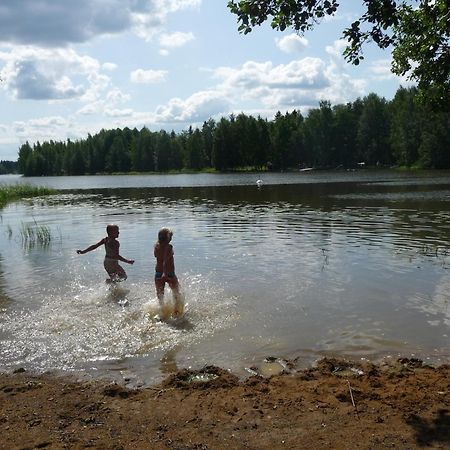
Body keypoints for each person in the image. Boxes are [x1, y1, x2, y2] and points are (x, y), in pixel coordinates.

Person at [154, 227, 183, 317]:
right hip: (168, 273)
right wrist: (165, 273)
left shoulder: (156, 246)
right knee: (176, 293)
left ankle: (161, 312)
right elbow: (165, 260)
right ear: (168, 237)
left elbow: (159, 258)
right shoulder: (169, 247)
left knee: (160, 295)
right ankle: (176, 312)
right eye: (171, 236)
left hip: (158, 274)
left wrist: (161, 273)